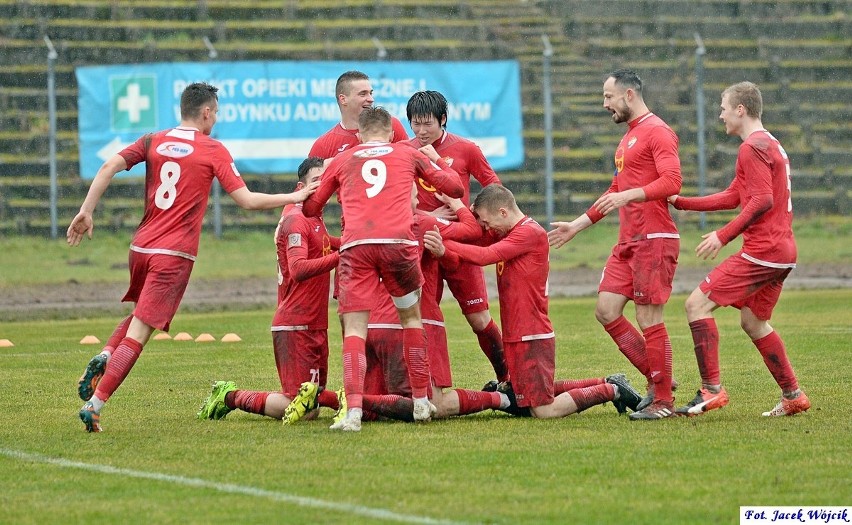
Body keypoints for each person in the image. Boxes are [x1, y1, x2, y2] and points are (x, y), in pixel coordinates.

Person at [69, 82, 317, 433]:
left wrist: (86, 211)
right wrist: (295, 197)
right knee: (140, 333)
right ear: (206, 112)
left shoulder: (153, 140)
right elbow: (246, 201)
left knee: (139, 313)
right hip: (173, 254)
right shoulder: (212, 149)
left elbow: (109, 165)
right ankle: (95, 405)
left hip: (141, 247)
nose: (215, 119)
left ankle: (107, 354)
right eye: (215, 113)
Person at [301, 107, 464, 431]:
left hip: (357, 247)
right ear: (391, 134)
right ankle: (420, 402)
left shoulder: (344, 159)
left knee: (355, 330)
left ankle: (354, 413)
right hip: (398, 245)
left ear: (359, 135)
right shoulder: (407, 153)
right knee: (411, 319)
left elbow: (312, 208)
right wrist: (438, 163)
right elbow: (455, 188)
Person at [426, 185, 642, 420]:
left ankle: (612, 390)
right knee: (526, 397)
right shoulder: (508, 231)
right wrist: (457, 214)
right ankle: (606, 382)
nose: (486, 228)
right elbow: (470, 245)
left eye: (487, 222)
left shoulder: (529, 232)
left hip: (532, 334)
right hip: (516, 332)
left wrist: (443, 242)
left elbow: (484, 256)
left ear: (503, 212)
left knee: (543, 410)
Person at [547, 69, 682, 421]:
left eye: (608, 97)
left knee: (649, 316)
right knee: (606, 310)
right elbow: (614, 191)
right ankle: (659, 379)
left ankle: (663, 400)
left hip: (654, 238)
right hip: (629, 240)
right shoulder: (628, 138)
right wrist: (577, 225)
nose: (604, 104)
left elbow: (672, 181)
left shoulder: (658, 131)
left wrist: (631, 195)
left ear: (629, 95)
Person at [669, 81, 810, 417]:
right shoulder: (769, 143)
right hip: (782, 253)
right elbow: (735, 195)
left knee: (696, 305)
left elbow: (762, 200)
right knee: (754, 321)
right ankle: (793, 394)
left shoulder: (752, 148)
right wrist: (682, 203)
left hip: (764, 250)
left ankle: (711, 390)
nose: (720, 115)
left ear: (740, 110)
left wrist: (723, 235)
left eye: (723, 108)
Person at [195, 157, 342, 423]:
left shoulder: (314, 220)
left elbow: (331, 243)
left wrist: (358, 242)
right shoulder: (296, 220)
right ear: (301, 186)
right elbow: (298, 268)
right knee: (306, 408)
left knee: (313, 399)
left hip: (315, 323)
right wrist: (341, 256)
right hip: (295, 323)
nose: (323, 188)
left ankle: (341, 399)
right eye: (316, 182)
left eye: (326, 182)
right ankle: (229, 396)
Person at [406, 90, 508, 387]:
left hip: (461, 245)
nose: (421, 131)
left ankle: (507, 377)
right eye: (415, 124)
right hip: (425, 249)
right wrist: (432, 216)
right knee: (423, 319)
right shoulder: (404, 150)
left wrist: (467, 210)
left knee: (479, 319)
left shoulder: (466, 149)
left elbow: (495, 188)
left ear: (443, 120)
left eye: (428, 124)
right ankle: (427, 385)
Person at [309, 70, 409, 160]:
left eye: (371, 93)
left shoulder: (390, 124)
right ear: (343, 99)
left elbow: (410, 164)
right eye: (363, 94)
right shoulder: (323, 146)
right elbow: (311, 179)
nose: (371, 99)